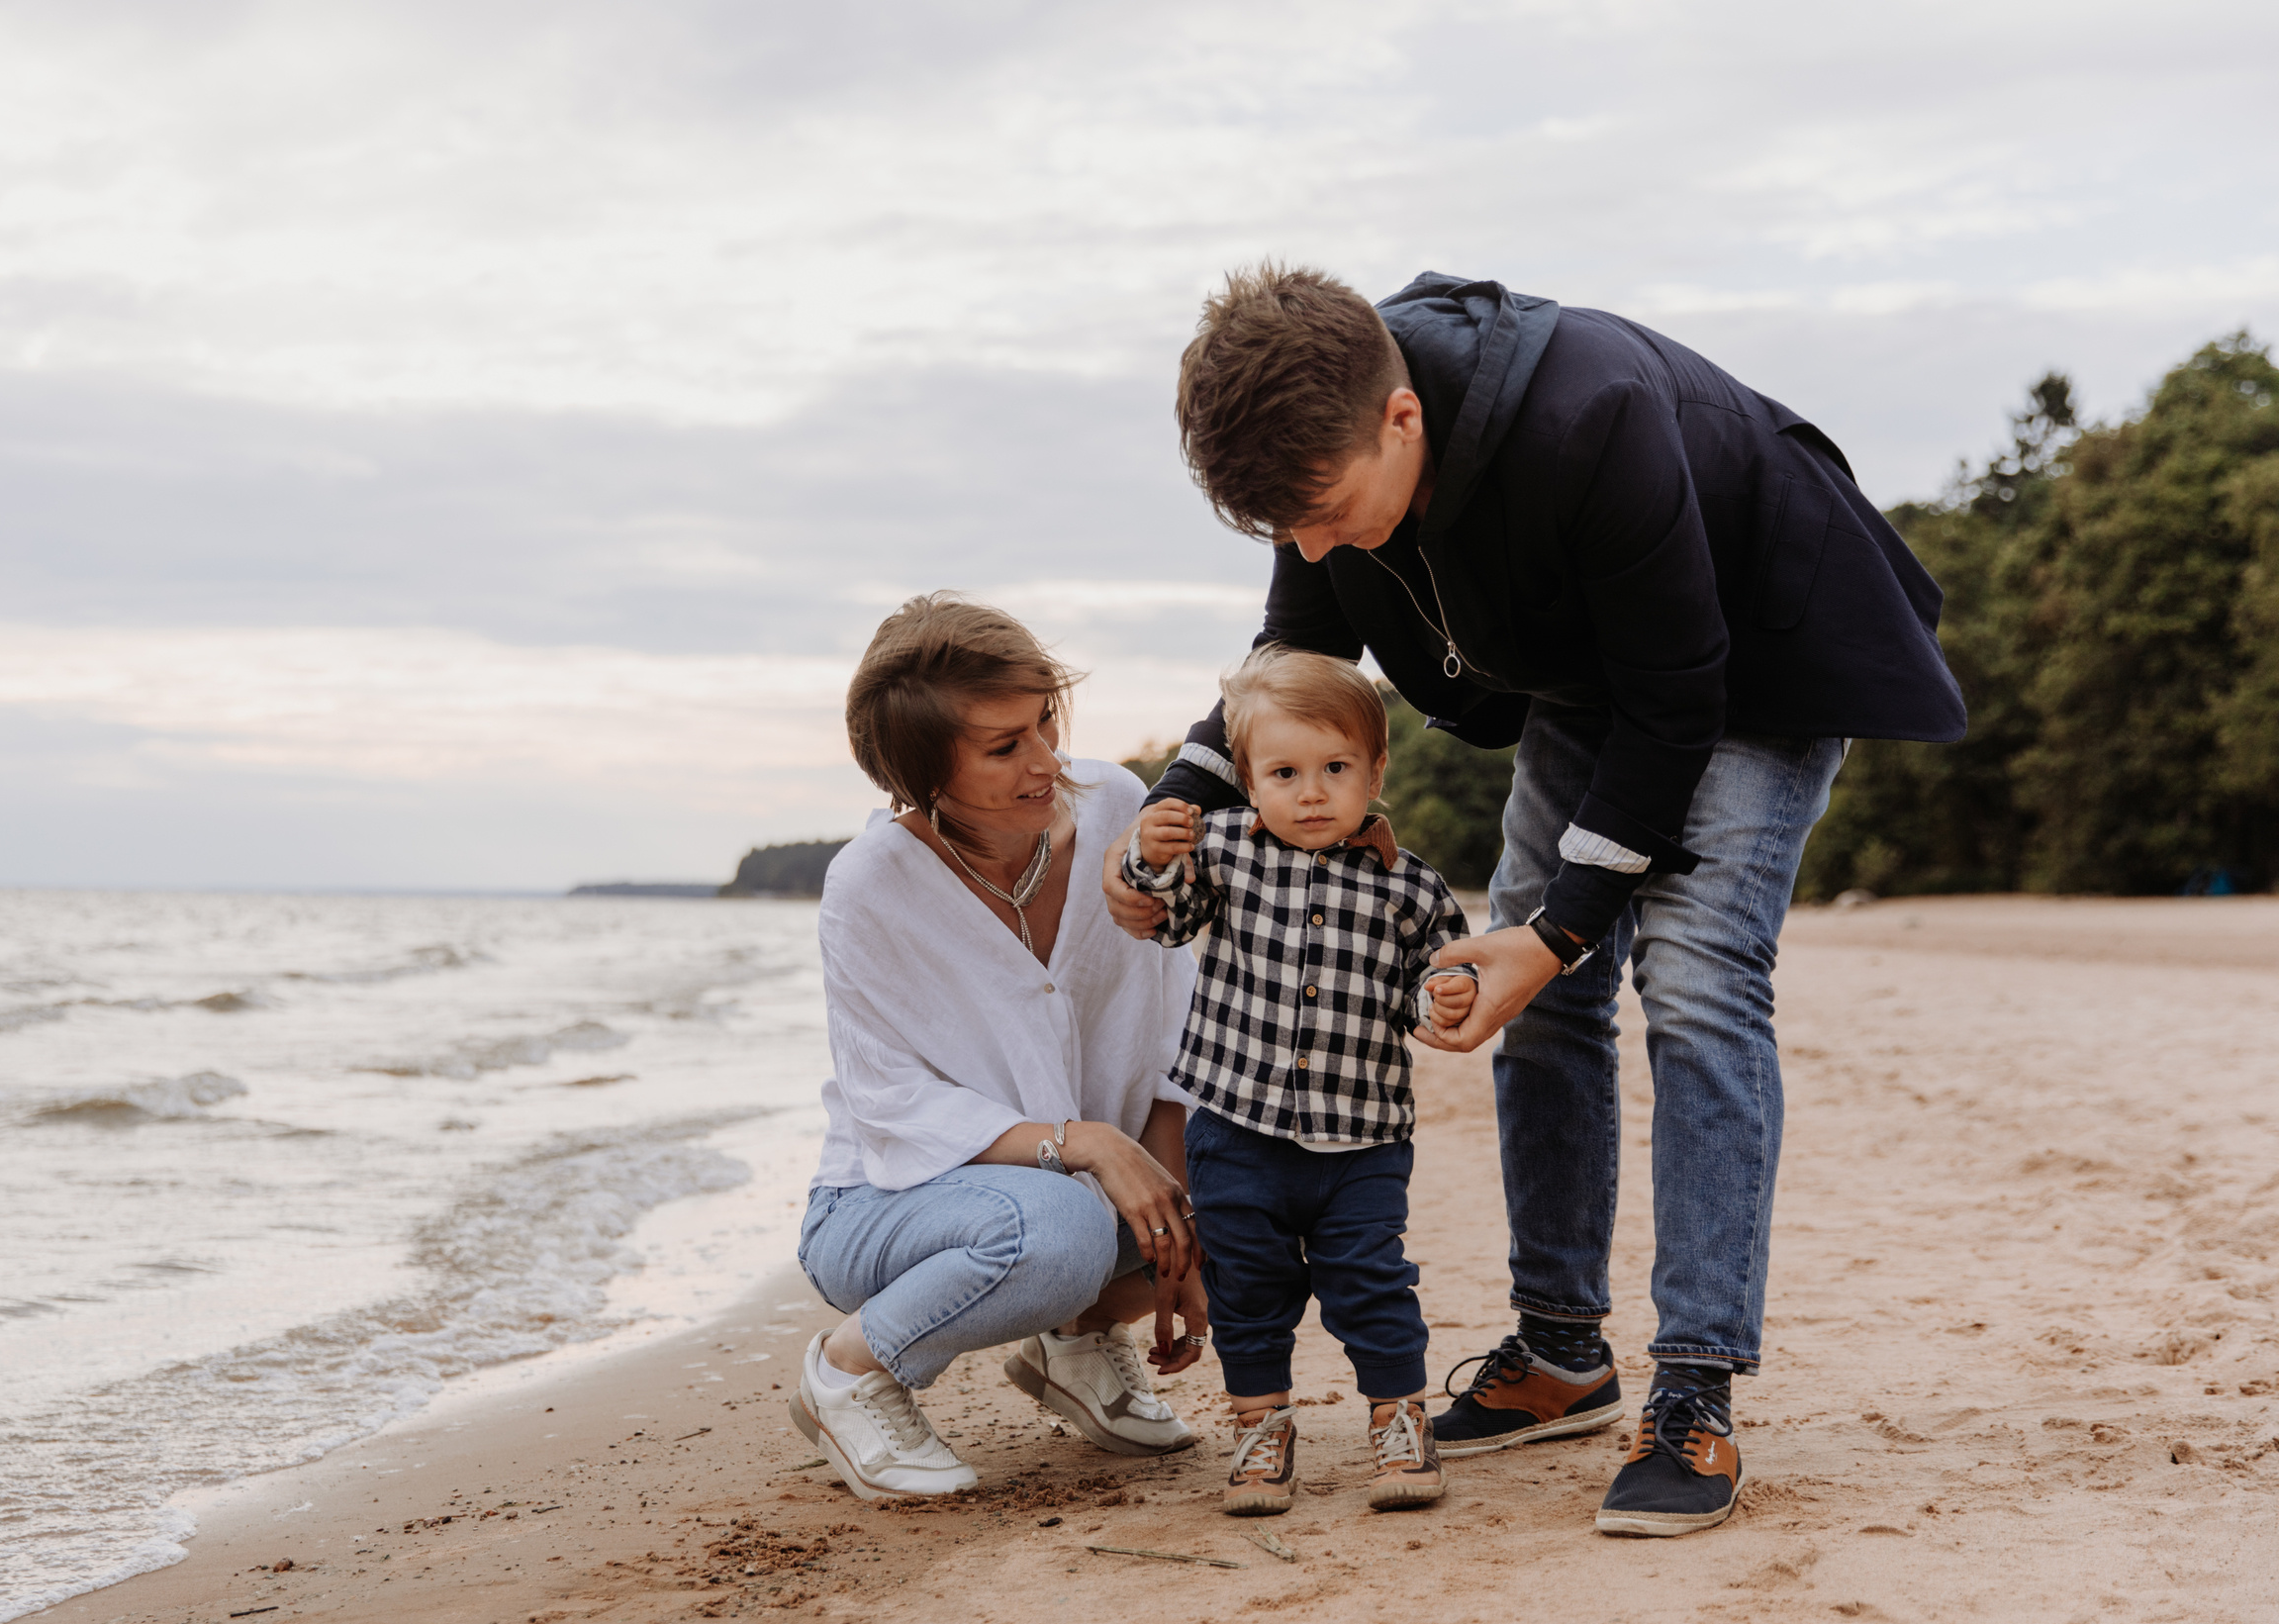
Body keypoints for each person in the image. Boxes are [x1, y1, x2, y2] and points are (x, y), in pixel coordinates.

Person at [1106, 264, 1967, 1539]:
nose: (1313, 547)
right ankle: (1562, 1348)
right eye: (1282, 527)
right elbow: (1291, 658)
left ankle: (1695, 1392)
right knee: (1523, 987)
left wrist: (1564, 931)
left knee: (1691, 979)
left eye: (1328, 513)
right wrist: (1168, 813)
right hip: (1598, 664)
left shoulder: (1590, 414)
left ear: (1400, 420)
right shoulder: (1328, 453)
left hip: (1756, 653)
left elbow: (1681, 699)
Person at [791, 592, 1209, 1502]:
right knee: (1061, 1228)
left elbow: (1177, 1018)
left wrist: (1182, 1221)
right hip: (886, 1203)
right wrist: (1086, 1141)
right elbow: (891, 1103)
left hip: (1083, 1186)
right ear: (922, 771)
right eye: (1004, 746)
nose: (1046, 761)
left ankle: (1079, 1341)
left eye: (1045, 723)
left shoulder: (1120, 812)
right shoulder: (869, 887)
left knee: (1261, 1182)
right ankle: (849, 1370)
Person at [1120, 645, 1475, 1517]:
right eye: (1284, 772)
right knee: (1248, 1286)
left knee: (1373, 1281)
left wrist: (1448, 993)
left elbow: (1430, 990)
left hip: (1362, 1139)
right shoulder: (1225, 858)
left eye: (1335, 768)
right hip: (1237, 1129)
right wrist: (1148, 853)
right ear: (1245, 777)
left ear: (1374, 769)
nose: (1310, 792)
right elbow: (1164, 921)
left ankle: (1399, 1421)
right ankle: (1260, 1431)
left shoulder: (1410, 887)